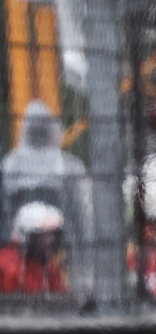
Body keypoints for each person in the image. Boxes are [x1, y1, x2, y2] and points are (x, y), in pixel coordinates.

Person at [1, 101, 91, 266]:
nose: (39, 129)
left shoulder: (69, 165)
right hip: (22, 251)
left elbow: (81, 215)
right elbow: (5, 212)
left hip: (60, 248)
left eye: (43, 124)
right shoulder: (11, 164)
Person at [0, 201, 68, 296]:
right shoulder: (7, 266)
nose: (51, 240)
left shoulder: (48, 264)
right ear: (27, 237)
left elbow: (59, 299)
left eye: (54, 234)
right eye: (44, 235)